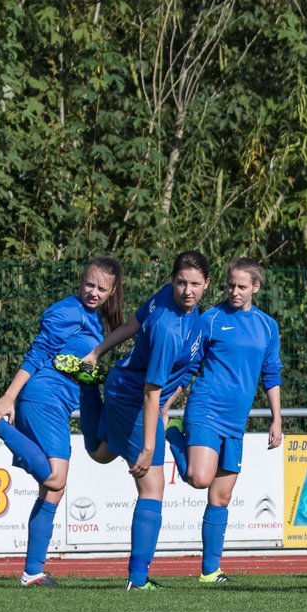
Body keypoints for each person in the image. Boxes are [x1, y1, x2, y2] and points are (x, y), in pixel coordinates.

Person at [0, 257, 126, 587]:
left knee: (54, 491)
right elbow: (37, 354)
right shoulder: (66, 311)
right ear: (81, 281)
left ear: (112, 291)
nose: (93, 292)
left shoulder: (95, 319)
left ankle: (32, 572)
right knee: (54, 476)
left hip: (58, 403)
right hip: (42, 395)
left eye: (101, 288)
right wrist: (7, 399)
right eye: (89, 284)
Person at [165, 258, 283, 584]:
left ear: (255, 288)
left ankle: (210, 571)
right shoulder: (211, 319)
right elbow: (188, 367)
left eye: (241, 286)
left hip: (236, 420)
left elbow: (271, 374)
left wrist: (276, 419)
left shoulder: (267, 326)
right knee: (200, 478)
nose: (234, 291)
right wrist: (166, 406)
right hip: (206, 408)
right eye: (230, 284)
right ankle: (175, 434)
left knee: (221, 497)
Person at [102, 251, 209, 590]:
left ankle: (88, 394)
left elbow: (133, 325)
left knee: (101, 452)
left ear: (206, 284)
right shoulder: (169, 328)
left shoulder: (182, 310)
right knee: (153, 485)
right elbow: (151, 392)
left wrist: (96, 353)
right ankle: (137, 578)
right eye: (181, 283)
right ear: (171, 282)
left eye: (194, 283)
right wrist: (150, 445)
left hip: (127, 392)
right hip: (133, 398)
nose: (187, 290)